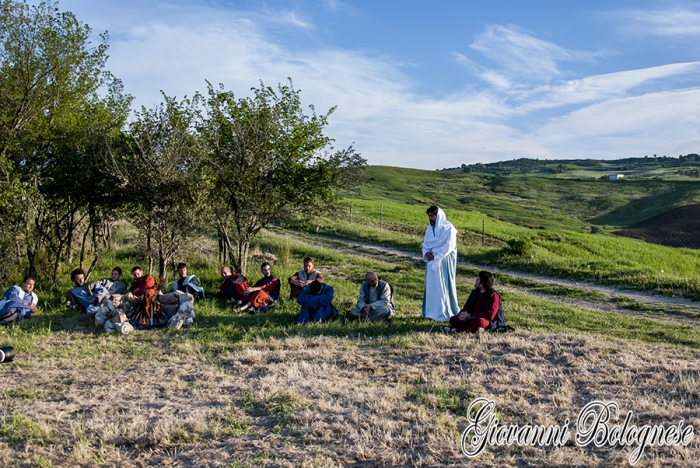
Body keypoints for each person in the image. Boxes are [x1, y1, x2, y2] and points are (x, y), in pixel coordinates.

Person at [421, 206, 459, 321]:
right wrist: (426, 253)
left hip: (443, 262)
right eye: (429, 216)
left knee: (443, 287)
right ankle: (431, 311)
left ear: (439, 216)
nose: (430, 218)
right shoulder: (429, 229)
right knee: (432, 287)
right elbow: (426, 243)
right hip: (431, 261)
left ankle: (445, 312)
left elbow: (449, 246)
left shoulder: (449, 229)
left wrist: (436, 255)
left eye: (432, 216)